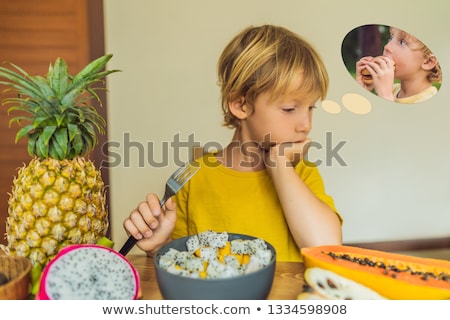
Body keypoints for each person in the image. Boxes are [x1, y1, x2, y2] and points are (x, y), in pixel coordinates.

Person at [123, 25, 343, 262]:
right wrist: (159, 247)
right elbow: (183, 264)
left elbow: (326, 248)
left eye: (311, 108)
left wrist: (279, 164)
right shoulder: (194, 178)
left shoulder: (301, 173)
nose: (306, 124)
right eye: (289, 109)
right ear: (240, 105)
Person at [356, 26, 442, 103]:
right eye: (391, 38)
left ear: (428, 61)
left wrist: (385, 96)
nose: (387, 47)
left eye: (402, 42)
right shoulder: (392, 89)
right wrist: (363, 92)